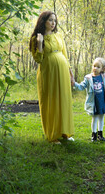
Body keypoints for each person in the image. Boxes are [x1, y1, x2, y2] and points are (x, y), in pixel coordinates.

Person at [29, 11, 74, 144]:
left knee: (64, 100)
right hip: (48, 73)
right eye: (50, 20)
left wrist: (70, 73)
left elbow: (65, 55)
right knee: (51, 101)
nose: (53, 23)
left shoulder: (59, 36)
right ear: (43, 22)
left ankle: (65, 132)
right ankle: (52, 135)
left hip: (63, 72)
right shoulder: (36, 38)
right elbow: (38, 59)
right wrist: (39, 44)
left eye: (55, 20)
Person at [72, 57, 105, 142]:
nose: (95, 68)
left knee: (101, 118)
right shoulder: (88, 78)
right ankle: (94, 135)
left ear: (102, 68)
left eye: (98, 67)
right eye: (94, 66)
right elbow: (81, 87)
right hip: (94, 103)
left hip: (102, 102)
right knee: (95, 118)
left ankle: (100, 134)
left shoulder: (104, 76)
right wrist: (74, 84)